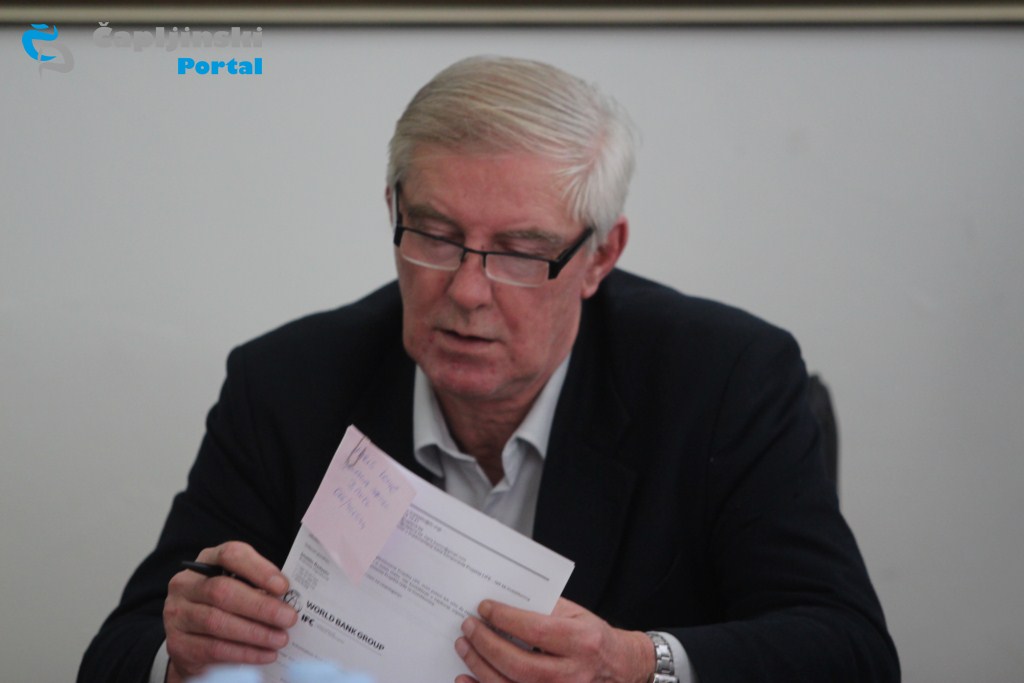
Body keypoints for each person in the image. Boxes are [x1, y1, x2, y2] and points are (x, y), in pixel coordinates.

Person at [79, 55, 899, 683]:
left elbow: (849, 649)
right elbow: (120, 649)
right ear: (393, 211)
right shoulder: (287, 383)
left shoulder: (724, 380)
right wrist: (181, 653)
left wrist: (635, 663)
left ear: (600, 255)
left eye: (520, 251)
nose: (467, 292)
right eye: (435, 236)